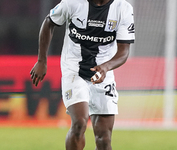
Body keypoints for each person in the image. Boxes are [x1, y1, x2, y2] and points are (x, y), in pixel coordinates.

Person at [30, 0, 135, 149]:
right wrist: (41, 61)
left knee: (104, 138)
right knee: (79, 123)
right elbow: (49, 22)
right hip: (74, 70)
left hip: (103, 74)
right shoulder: (72, 3)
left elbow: (124, 51)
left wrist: (106, 67)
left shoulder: (123, 8)